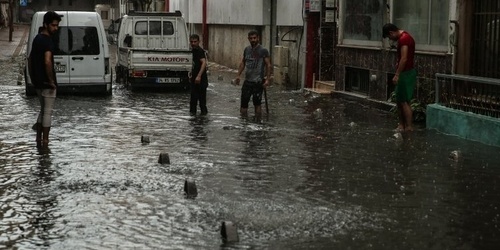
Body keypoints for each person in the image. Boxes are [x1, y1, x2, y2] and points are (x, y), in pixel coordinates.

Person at [28, 11, 61, 147]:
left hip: (37, 83)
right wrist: (51, 81)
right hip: (47, 84)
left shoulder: (37, 38)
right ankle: (46, 141)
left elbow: (30, 59)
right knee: (47, 112)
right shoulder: (48, 41)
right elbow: (48, 62)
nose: (56, 28)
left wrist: (33, 77)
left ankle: (38, 139)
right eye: (53, 25)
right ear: (46, 24)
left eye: (57, 25)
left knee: (42, 110)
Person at [383, 23, 417, 132]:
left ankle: (408, 127)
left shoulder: (404, 39)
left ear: (391, 32)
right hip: (405, 72)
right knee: (399, 100)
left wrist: (397, 74)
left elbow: (404, 58)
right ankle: (402, 125)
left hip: (405, 73)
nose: (391, 39)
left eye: (389, 37)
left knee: (404, 101)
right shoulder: (405, 37)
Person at [235, 30, 272, 117]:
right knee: (243, 104)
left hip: (258, 82)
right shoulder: (247, 50)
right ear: (248, 39)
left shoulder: (263, 51)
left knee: (257, 104)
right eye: (251, 38)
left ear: (258, 38)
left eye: (254, 38)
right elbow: (243, 62)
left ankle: (257, 123)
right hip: (247, 81)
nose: (253, 40)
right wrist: (238, 75)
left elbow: (268, 65)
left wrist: (267, 80)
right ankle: (244, 123)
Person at [189, 34, 208, 115]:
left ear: (199, 42)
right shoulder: (192, 51)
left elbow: (204, 63)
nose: (193, 43)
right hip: (194, 80)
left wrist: (199, 76)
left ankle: (202, 121)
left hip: (201, 80)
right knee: (193, 102)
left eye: (195, 42)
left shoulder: (200, 51)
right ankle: (194, 121)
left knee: (202, 102)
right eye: (191, 42)